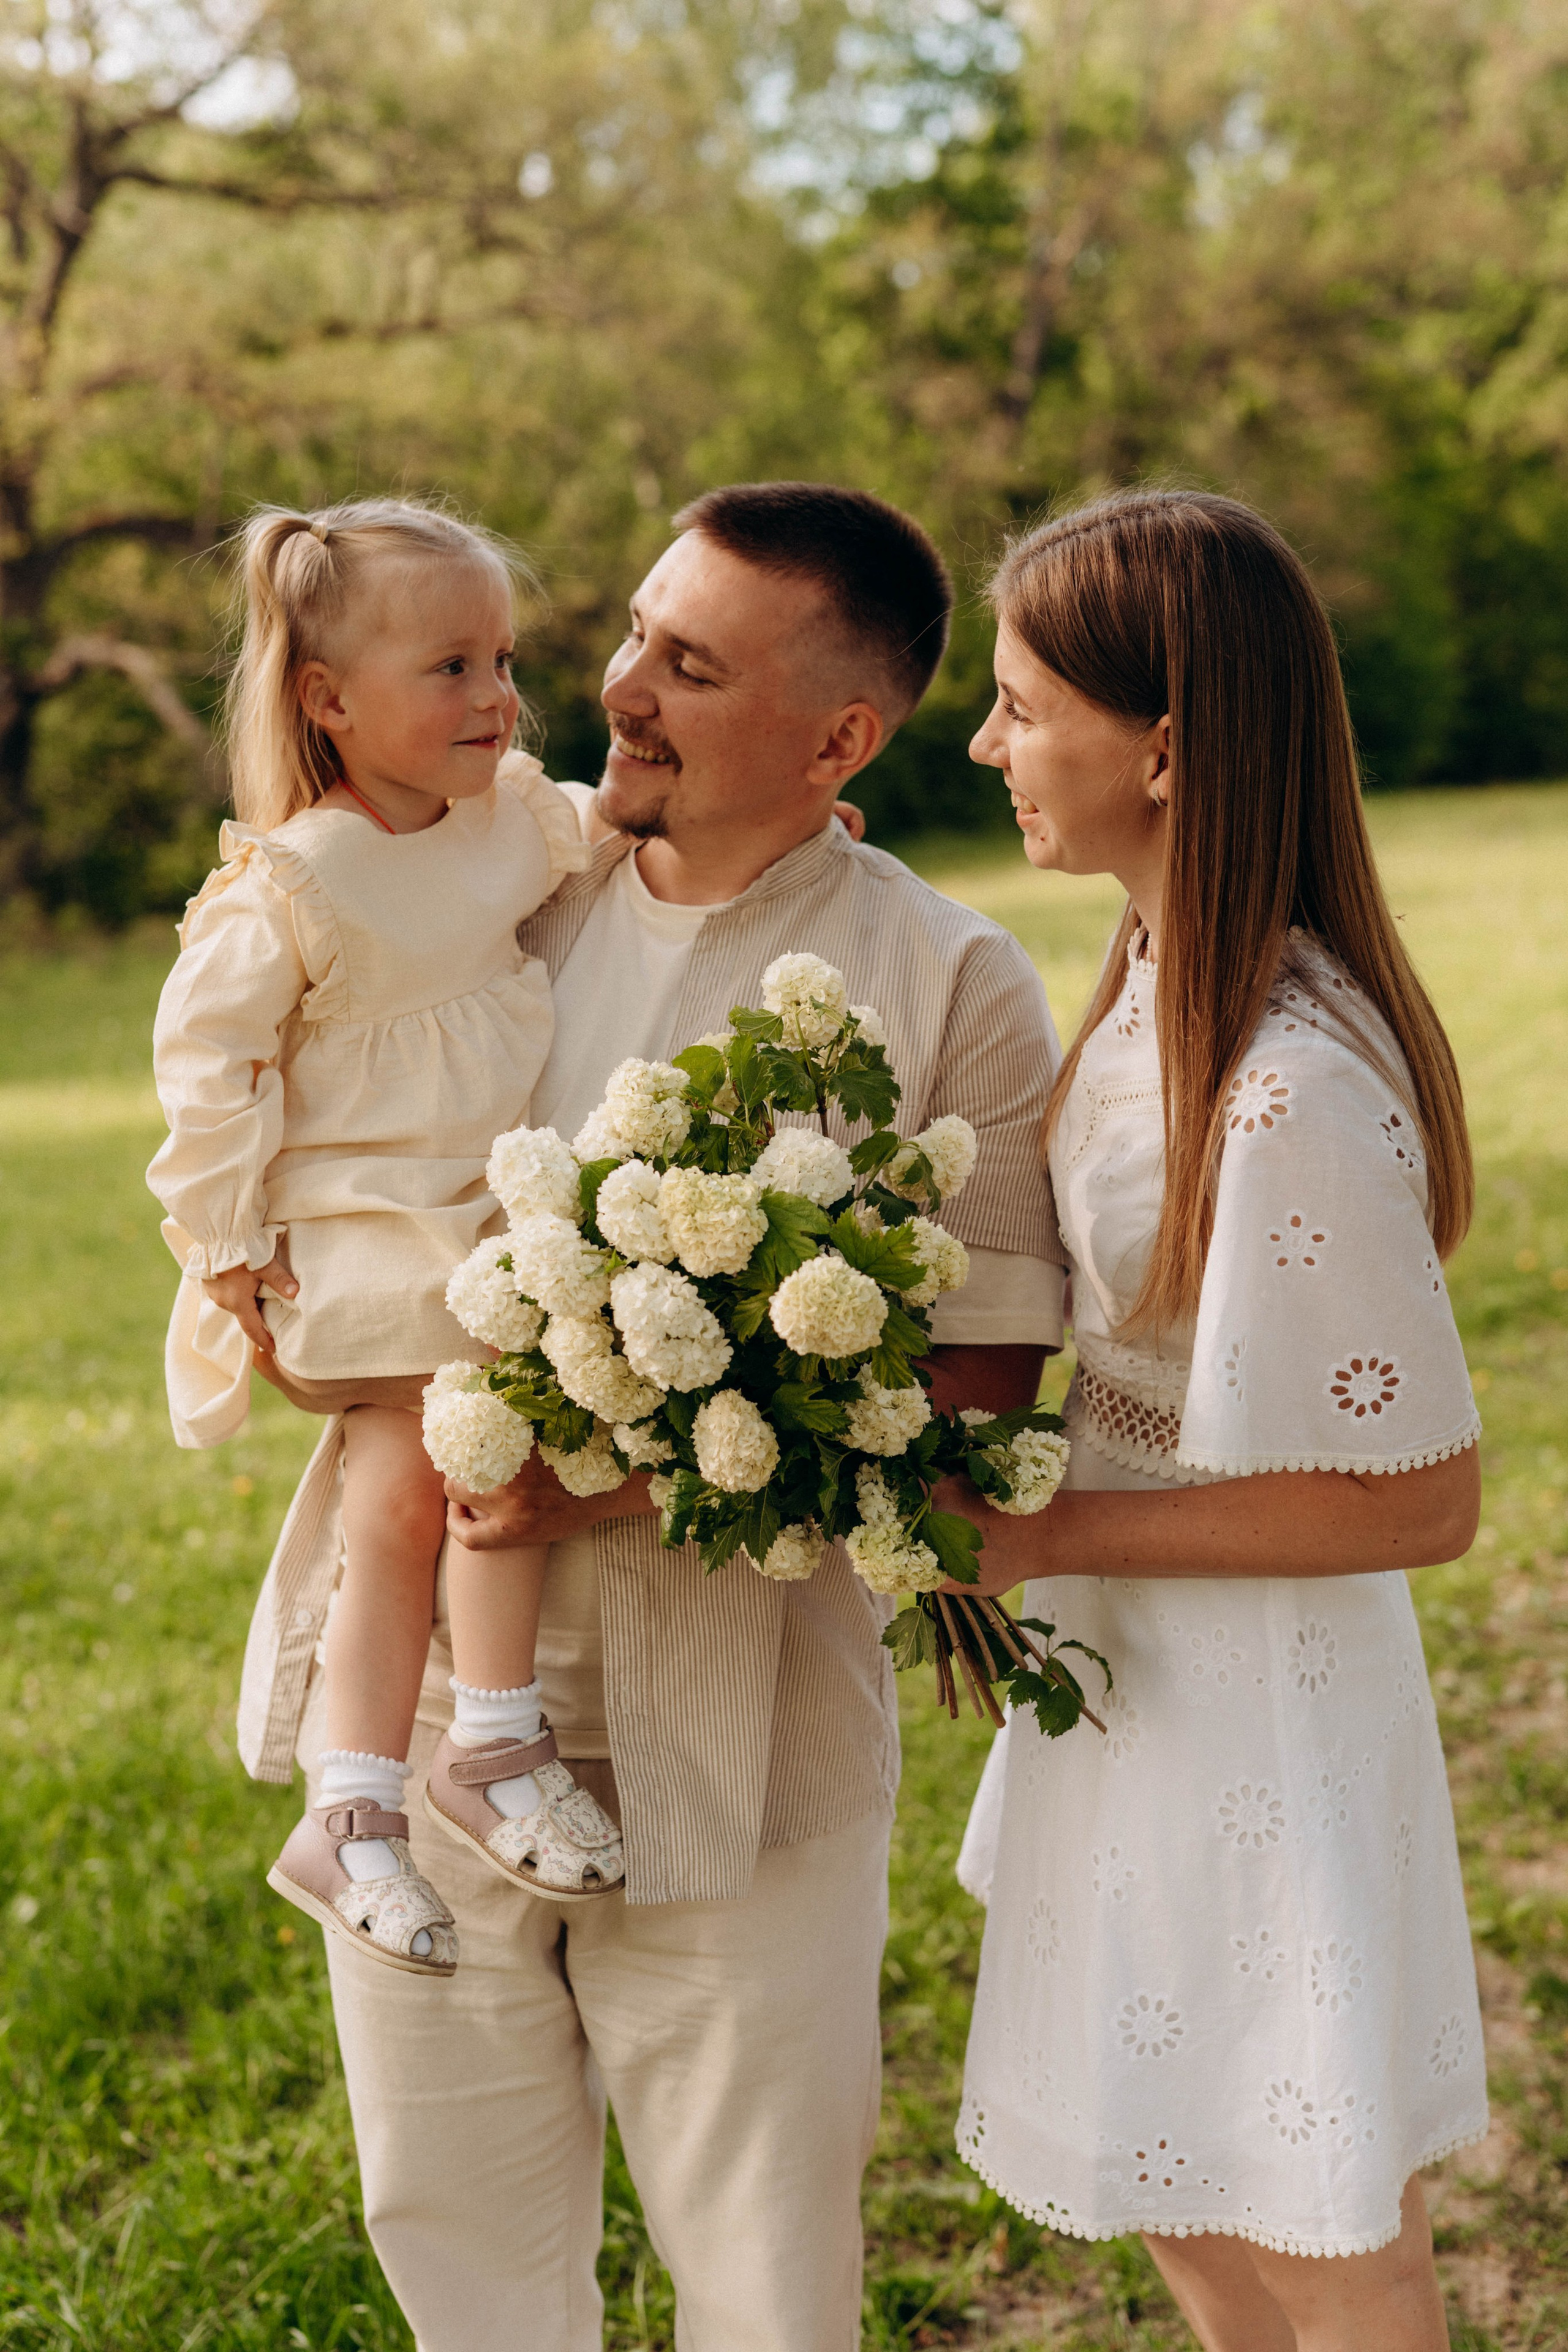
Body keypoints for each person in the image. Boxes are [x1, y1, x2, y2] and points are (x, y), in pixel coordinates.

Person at [239, 481, 1068, 2350]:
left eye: (688, 668)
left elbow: (976, 1410)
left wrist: (605, 1482)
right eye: (629, 633)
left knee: (766, 2278)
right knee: (452, 2241)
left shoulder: (952, 984)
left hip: (743, 1750)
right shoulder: (483, 887)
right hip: (429, 1713)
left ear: (839, 737)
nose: (615, 687)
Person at [947, 489, 1487, 2352]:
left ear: (1164, 742)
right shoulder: (1144, 976)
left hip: (1260, 1700)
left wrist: (1049, 1533)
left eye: (1022, 706)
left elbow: (1421, 1499)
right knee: (1173, 2170)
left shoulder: (1287, 1090)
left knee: (1323, 2230)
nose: (987, 741)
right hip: (1135, 1672)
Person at [148, 499, 626, 1982]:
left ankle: (446, 1759)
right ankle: (378, 1792)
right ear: (328, 701)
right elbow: (202, 1057)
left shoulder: (511, 818)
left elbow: (612, 839)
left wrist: (784, 834)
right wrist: (221, 1239)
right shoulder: (296, 876)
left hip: (482, 1212)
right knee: (409, 1500)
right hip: (357, 1223)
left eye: (501, 660)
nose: (496, 697)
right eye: (450, 668)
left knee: (454, 1486)